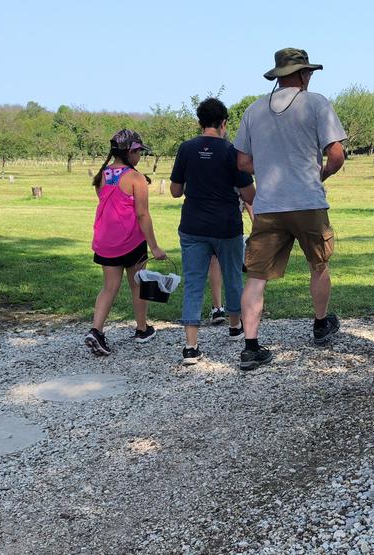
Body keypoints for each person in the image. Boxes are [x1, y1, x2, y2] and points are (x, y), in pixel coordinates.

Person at [233, 47, 346, 371]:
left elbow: (242, 161)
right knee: (318, 264)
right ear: (303, 74)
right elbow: (336, 154)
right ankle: (321, 323)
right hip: (308, 200)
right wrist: (321, 173)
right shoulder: (316, 103)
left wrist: (267, 169)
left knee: (256, 276)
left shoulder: (254, 110)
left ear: (279, 76)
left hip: (268, 205)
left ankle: (251, 347)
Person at [170, 98, 255, 365]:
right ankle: (234, 326)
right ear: (224, 123)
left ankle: (191, 347)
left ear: (200, 122)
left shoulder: (186, 148)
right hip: (226, 224)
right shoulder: (231, 151)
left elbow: (175, 190)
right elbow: (249, 193)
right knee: (232, 276)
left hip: (193, 225)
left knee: (193, 282)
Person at [85, 129, 167, 356]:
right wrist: (155, 246)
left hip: (105, 241)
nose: (140, 155)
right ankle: (142, 329)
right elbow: (143, 215)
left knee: (109, 287)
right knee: (138, 283)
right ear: (129, 151)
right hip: (131, 242)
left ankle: (96, 330)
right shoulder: (136, 178)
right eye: (139, 151)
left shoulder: (102, 175)